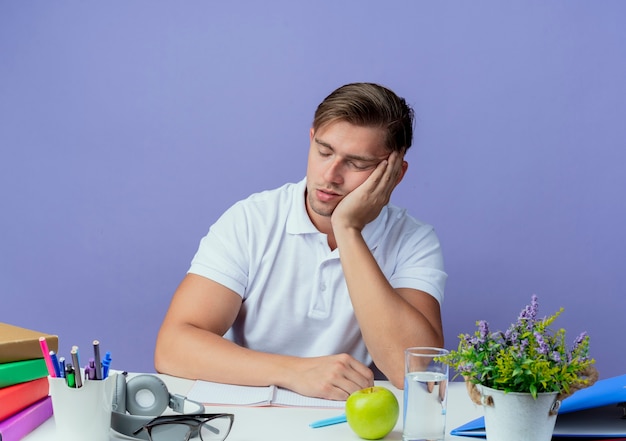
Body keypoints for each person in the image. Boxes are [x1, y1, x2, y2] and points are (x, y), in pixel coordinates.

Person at [154, 82, 446, 401]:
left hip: (348, 422)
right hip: (250, 415)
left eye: (357, 163)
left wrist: (348, 229)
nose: (330, 175)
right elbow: (172, 347)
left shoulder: (413, 240)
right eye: (324, 151)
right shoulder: (251, 220)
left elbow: (413, 369)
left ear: (394, 174)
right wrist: (295, 372)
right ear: (311, 139)